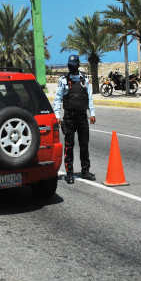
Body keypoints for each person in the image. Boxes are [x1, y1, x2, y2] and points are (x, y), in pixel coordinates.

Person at [53, 54, 96, 184]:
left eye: (73, 65)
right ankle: (69, 173)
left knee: (84, 145)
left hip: (82, 117)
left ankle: (85, 171)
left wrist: (92, 113)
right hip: (69, 118)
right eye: (69, 65)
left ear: (78, 65)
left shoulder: (84, 79)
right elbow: (57, 99)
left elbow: (89, 97)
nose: (71, 67)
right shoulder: (63, 80)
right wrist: (57, 115)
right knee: (69, 146)